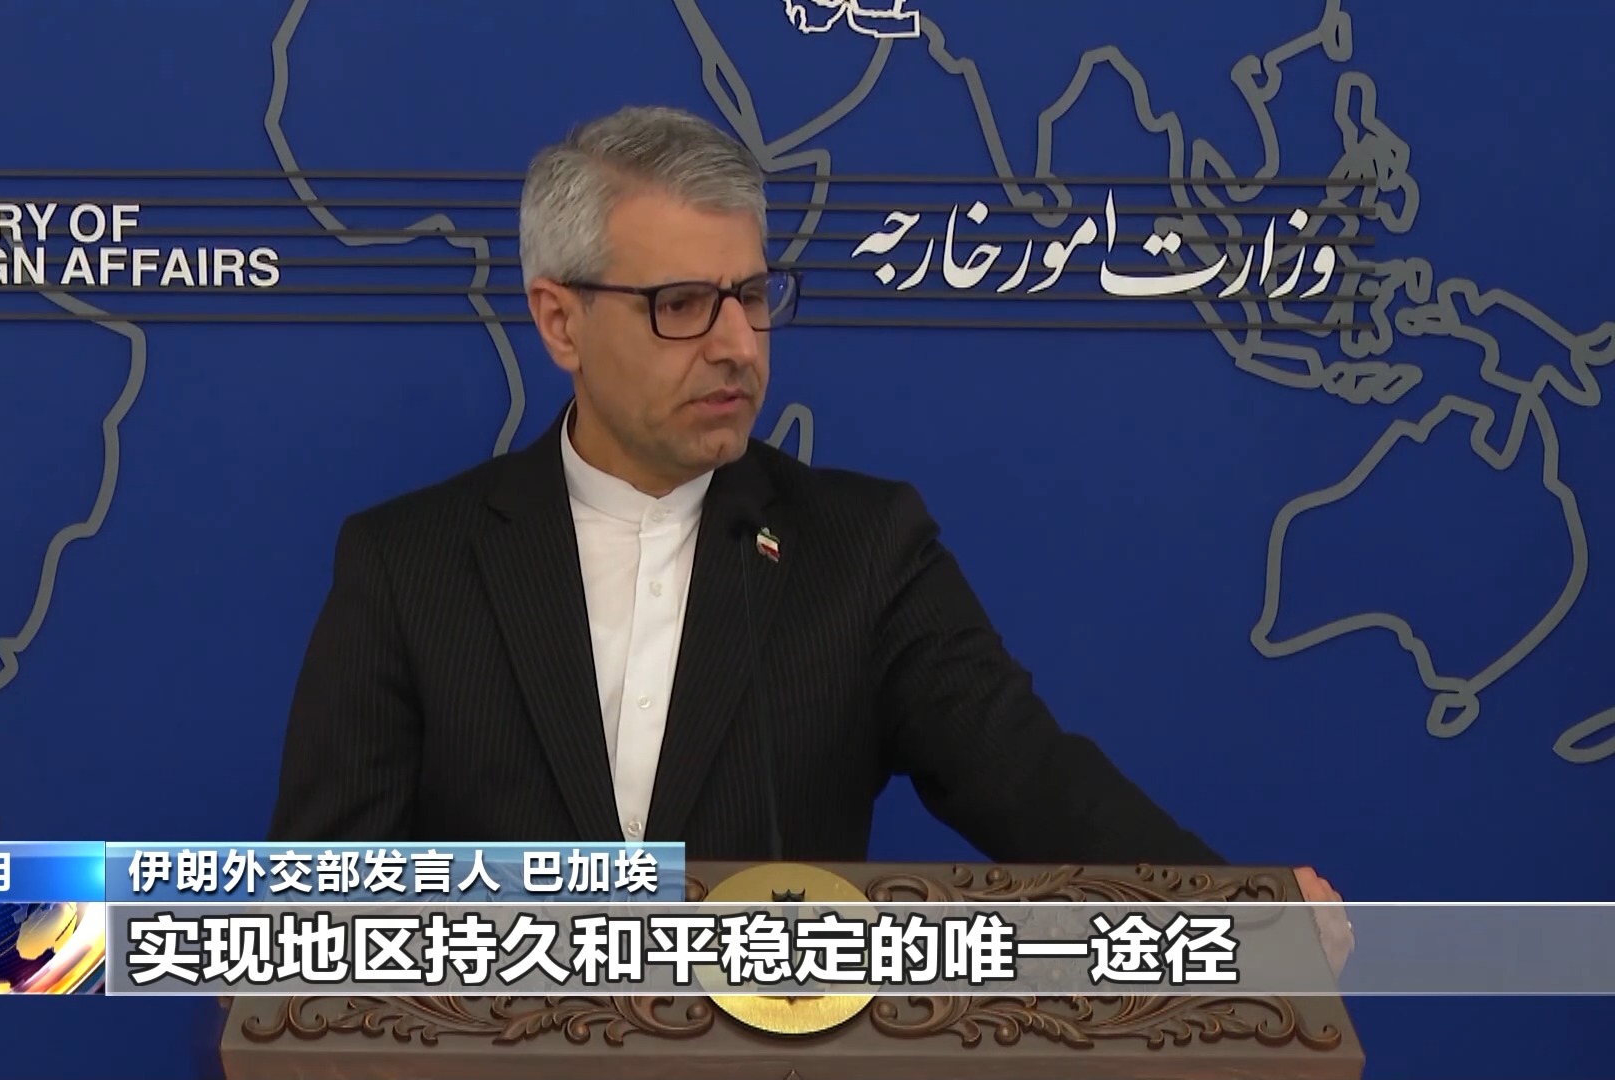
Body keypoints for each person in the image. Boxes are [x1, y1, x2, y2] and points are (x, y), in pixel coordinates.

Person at [265, 106, 1351, 967]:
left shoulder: (861, 552)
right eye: (682, 304)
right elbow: (311, 922)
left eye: (751, 295)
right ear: (560, 321)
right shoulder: (410, 567)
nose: (737, 344)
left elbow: (1029, 778)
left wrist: (1238, 916)